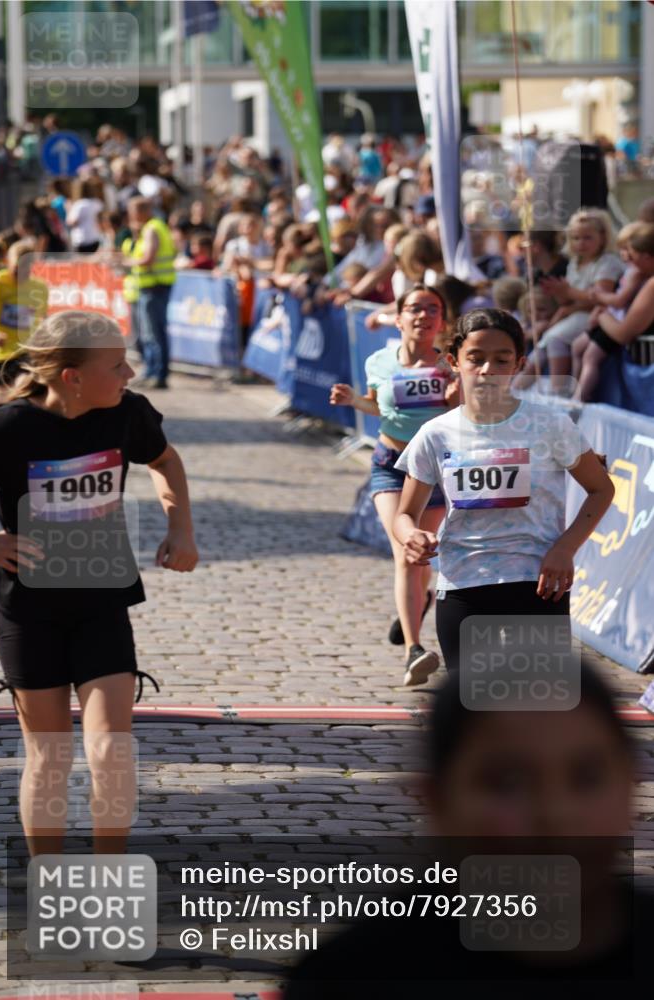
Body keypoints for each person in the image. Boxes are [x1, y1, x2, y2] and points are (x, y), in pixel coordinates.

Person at [284, 662, 653, 993]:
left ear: (630, 784)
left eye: (587, 777)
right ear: (436, 799)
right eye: (507, 782)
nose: (554, 814)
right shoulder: (348, 977)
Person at [0, 311, 198, 857]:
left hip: (101, 601)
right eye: (116, 364)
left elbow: (165, 461)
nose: (130, 373)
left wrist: (181, 529)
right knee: (49, 756)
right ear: (71, 376)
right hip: (28, 608)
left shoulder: (126, 415)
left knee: (110, 751)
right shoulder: (7, 428)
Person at [393, 308, 614, 673]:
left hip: (538, 581)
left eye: (501, 360)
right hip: (463, 582)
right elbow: (404, 514)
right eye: (475, 359)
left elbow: (601, 489)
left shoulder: (550, 425)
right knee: (475, 712)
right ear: (454, 362)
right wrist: (411, 536)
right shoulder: (435, 434)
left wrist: (565, 548)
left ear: (518, 364)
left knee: (537, 709)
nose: (487, 371)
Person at [330, 285, 453, 686]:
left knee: (422, 557)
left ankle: (421, 599)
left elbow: (466, 415)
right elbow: (377, 405)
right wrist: (353, 401)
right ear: (398, 318)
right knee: (405, 552)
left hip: (434, 470)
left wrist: (456, 397)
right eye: (414, 309)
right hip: (390, 464)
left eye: (432, 309)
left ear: (442, 321)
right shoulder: (379, 361)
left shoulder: (450, 365)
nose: (423, 315)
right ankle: (413, 651)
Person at [516, 209, 623, 392]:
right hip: (577, 314)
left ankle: (560, 393)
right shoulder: (574, 263)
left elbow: (599, 297)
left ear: (603, 237)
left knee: (554, 339)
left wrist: (568, 293)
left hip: (595, 316)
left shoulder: (608, 262)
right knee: (544, 343)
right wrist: (559, 293)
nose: (581, 243)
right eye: (575, 238)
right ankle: (514, 391)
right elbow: (568, 300)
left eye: (587, 238)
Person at [572, 223, 654, 401]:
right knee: (579, 348)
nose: (626, 257)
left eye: (630, 252)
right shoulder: (637, 274)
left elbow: (624, 332)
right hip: (612, 320)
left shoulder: (644, 279)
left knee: (590, 356)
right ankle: (574, 393)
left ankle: (579, 398)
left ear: (646, 257)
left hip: (616, 325)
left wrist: (602, 313)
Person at [123, 196, 177, 390]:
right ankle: (151, 371)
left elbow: (148, 258)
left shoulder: (152, 228)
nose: (130, 216)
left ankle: (158, 374)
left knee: (154, 334)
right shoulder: (152, 227)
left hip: (154, 286)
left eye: (132, 212)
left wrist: (127, 263)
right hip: (152, 286)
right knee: (149, 334)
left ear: (142, 211)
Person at [0, 240, 48, 400]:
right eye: (16, 270)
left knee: (25, 395)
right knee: (1, 402)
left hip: (25, 351)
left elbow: (43, 319)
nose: (21, 274)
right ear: (8, 263)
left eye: (26, 269)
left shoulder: (39, 287)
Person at [65, 178, 105, 254]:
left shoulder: (79, 205)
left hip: (82, 239)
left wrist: (68, 210)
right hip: (95, 238)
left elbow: (72, 222)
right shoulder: (97, 203)